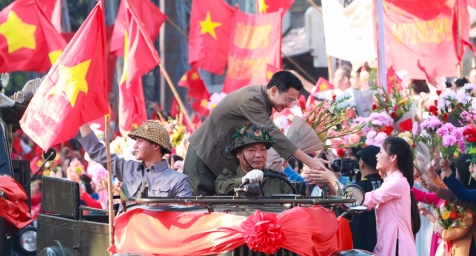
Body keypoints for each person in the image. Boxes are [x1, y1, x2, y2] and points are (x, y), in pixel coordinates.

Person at [183, 71, 328, 195]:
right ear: (274, 90)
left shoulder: (263, 101)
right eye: (288, 99)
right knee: (199, 209)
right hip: (204, 157)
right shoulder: (253, 100)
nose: (289, 106)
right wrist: (309, 161)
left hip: (220, 161)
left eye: (293, 101)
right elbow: (273, 134)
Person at [77, 121, 191, 200]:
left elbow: (184, 220)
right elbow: (98, 151)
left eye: (140, 141)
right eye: (135, 141)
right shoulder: (127, 168)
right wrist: (80, 118)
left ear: (156, 145)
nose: (134, 146)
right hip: (127, 233)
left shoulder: (178, 181)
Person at [214, 124, 295, 196]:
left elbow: (291, 207)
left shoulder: (279, 180)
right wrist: (243, 180)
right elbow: (220, 188)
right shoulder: (226, 178)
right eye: (251, 150)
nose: (259, 155)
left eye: (263, 149)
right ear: (239, 154)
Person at [346, 145, 383, 251]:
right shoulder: (389, 186)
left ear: (361, 164)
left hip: (360, 250)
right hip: (387, 248)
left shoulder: (356, 189)